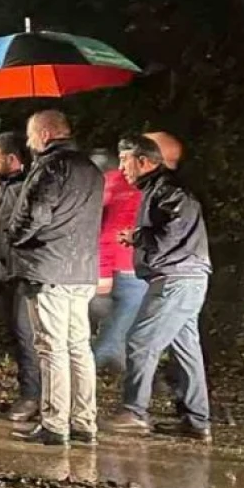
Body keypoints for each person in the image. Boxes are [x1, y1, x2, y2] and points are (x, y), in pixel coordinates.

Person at [106, 136, 214, 442]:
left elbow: (175, 227)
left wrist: (140, 237)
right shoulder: (159, 188)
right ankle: (196, 421)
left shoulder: (167, 189)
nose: (122, 167)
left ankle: (134, 412)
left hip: (176, 278)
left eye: (125, 159)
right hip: (187, 277)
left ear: (144, 161)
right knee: (186, 350)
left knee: (141, 340)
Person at [6, 109, 103, 446]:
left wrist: (14, 235)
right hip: (83, 271)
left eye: (31, 134)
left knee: (51, 348)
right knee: (79, 347)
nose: (29, 141)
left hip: (49, 270)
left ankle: (54, 422)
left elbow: (36, 213)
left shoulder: (50, 167)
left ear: (45, 134)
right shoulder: (91, 169)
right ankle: (84, 421)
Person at [0, 132, 39, 421]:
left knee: (27, 336)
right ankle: (28, 392)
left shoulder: (25, 188)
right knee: (16, 334)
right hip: (1, 273)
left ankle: (32, 397)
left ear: (12, 158)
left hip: (21, 275)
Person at [88, 148, 148, 375]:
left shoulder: (114, 185)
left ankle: (135, 373)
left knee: (120, 326)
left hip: (119, 268)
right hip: (127, 269)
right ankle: (80, 376)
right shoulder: (128, 185)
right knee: (115, 332)